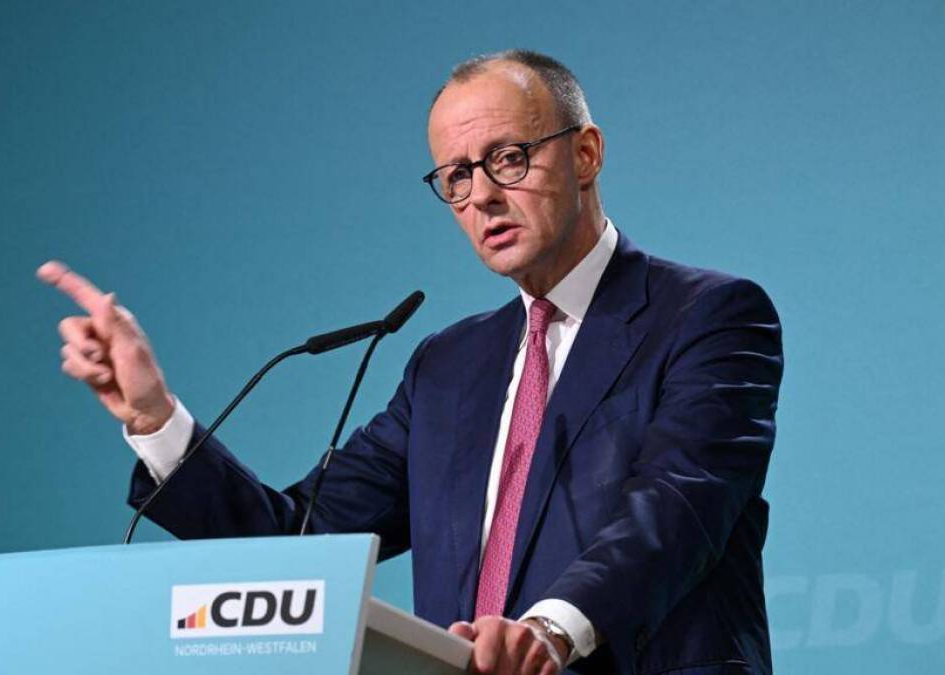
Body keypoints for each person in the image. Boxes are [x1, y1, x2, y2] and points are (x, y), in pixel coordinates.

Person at [39, 50, 783, 675]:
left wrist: (551, 630)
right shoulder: (448, 368)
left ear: (585, 154)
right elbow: (299, 546)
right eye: (456, 176)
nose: (482, 195)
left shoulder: (708, 315)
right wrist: (155, 418)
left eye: (508, 158)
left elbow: (679, 504)